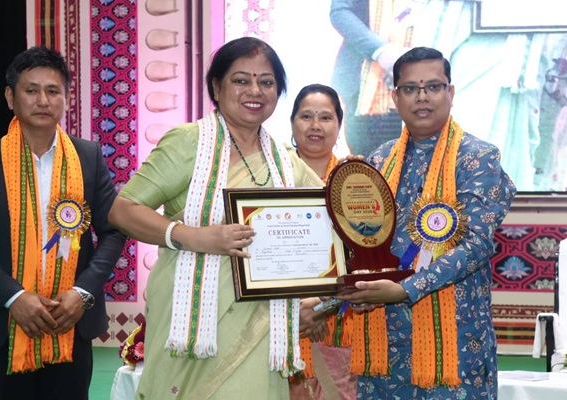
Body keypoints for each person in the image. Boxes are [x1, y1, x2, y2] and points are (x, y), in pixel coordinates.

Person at [108, 37, 326, 400]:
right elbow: (123, 210)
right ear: (216, 86)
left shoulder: (286, 161)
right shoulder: (188, 142)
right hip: (191, 325)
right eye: (241, 80)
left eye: (267, 82)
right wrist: (194, 237)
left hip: (261, 325)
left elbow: (328, 222)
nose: (255, 91)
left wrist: (317, 297)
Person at [336, 47, 517, 399]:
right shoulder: (378, 160)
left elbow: (476, 245)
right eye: (410, 88)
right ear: (395, 97)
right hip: (384, 342)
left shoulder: (478, 157)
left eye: (433, 86)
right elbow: (361, 241)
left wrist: (407, 289)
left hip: (456, 344)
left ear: (450, 92)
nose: (422, 97)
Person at [0, 46, 126, 399]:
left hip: (70, 320)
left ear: (66, 99)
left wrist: (82, 294)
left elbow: (114, 231)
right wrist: (14, 297)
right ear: (10, 97)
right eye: (31, 90)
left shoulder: (88, 157)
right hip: (2, 324)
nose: (43, 100)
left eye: (53, 91)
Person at [330, 0, 552, 191]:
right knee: (375, 185)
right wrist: (382, 52)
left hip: (452, 76)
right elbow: (341, 11)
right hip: (371, 90)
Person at [288, 83, 357, 399]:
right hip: (278, 324)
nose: (315, 125)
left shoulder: (357, 180)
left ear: (339, 125)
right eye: (306, 116)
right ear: (292, 123)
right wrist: (297, 307)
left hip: (343, 324)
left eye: (326, 117)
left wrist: (321, 305)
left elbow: (367, 257)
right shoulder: (268, 178)